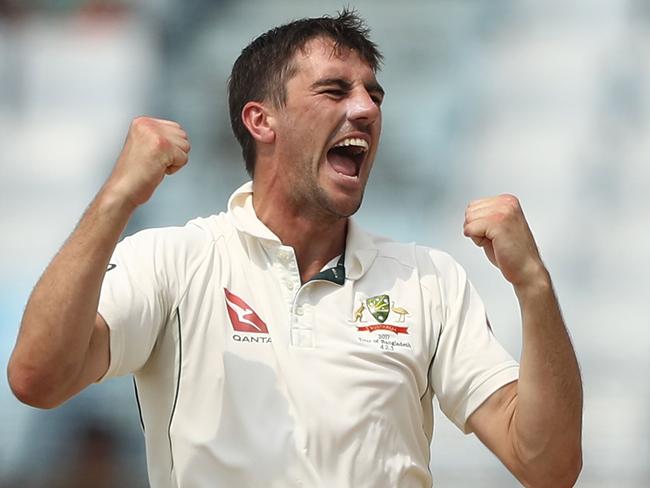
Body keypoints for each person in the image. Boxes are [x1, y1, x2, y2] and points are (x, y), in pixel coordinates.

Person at [8, 10, 582, 488]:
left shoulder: (428, 279)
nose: (366, 109)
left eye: (373, 95)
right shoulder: (176, 260)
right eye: (335, 90)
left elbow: (547, 466)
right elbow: (38, 378)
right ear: (262, 120)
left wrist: (533, 285)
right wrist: (118, 197)